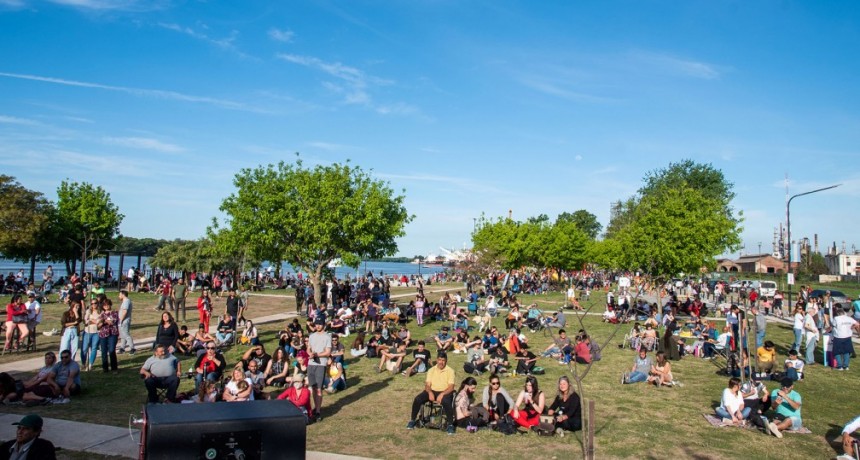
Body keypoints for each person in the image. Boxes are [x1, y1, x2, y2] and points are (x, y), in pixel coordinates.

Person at [406, 353, 456, 435]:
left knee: (447, 402)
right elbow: (427, 385)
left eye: (443, 360)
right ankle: (412, 420)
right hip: (432, 390)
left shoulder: (450, 371)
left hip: (445, 391)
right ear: (437, 360)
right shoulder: (431, 370)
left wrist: (442, 394)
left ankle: (450, 425)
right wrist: (429, 392)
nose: (441, 362)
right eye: (439, 360)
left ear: (446, 361)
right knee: (418, 399)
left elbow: (451, 387)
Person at [306, 322, 332, 421]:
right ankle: (315, 407)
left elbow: (328, 352)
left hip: (321, 364)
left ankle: (318, 411)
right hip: (311, 363)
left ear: (324, 325)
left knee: (319, 388)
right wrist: (310, 353)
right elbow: (308, 348)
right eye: (316, 324)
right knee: (313, 387)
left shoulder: (327, 336)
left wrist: (316, 355)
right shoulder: (312, 336)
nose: (317, 326)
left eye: (319, 324)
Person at [97, 298, 119, 373]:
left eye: (107, 304)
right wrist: (102, 322)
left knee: (112, 350)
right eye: (104, 305)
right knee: (103, 351)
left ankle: (114, 368)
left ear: (110, 305)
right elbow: (98, 325)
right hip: (103, 334)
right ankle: (105, 368)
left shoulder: (114, 313)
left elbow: (112, 322)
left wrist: (103, 321)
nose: (106, 306)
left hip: (112, 333)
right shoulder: (101, 314)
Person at [81, 298, 101, 372]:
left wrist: (92, 320)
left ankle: (90, 364)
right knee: (84, 349)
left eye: (95, 303)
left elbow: (99, 322)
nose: (94, 305)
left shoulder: (100, 312)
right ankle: (83, 363)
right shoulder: (88, 311)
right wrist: (93, 321)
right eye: (92, 303)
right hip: (87, 332)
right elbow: (85, 321)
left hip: (96, 332)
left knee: (94, 348)